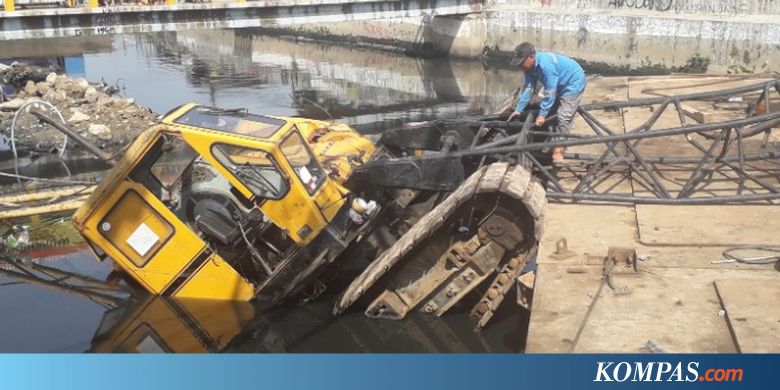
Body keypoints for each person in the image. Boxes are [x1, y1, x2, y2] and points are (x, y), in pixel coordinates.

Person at [506, 42, 586, 162]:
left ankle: (560, 148)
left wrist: (542, 114)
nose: (520, 66)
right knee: (552, 112)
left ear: (531, 57)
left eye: (521, 62)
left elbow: (550, 91)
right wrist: (519, 109)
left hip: (572, 82)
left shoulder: (546, 65)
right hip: (559, 83)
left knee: (564, 116)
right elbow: (529, 88)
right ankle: (551, 140)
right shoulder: (529, 68)